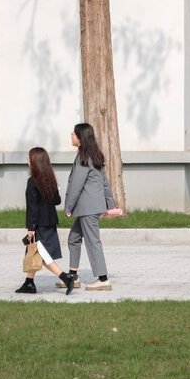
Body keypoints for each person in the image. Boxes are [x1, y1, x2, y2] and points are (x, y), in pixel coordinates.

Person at [62, 122, 123, 293]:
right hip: (90, 207)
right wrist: (109, 204)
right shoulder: (94, 155)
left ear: (81, 139)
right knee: (73, 239)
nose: (71, 136)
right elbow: (105, 182)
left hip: (87, 208)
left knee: (92, 242)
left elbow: (76, 185)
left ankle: (103, 279)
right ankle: (73, 276)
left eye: (73, 134)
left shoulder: (83, 158)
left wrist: (68, 207)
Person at [17, 146, 70, 295]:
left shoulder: (32, 182)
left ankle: (66, 278)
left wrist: (31, 228)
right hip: (50, 223)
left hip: (39, 224)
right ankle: (29, 283)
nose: (27, 160)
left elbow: (33, 207)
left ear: (35, 162)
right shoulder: (50, 179)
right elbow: (57, 201)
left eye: (29, 158)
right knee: (35, 253)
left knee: (42, 255)